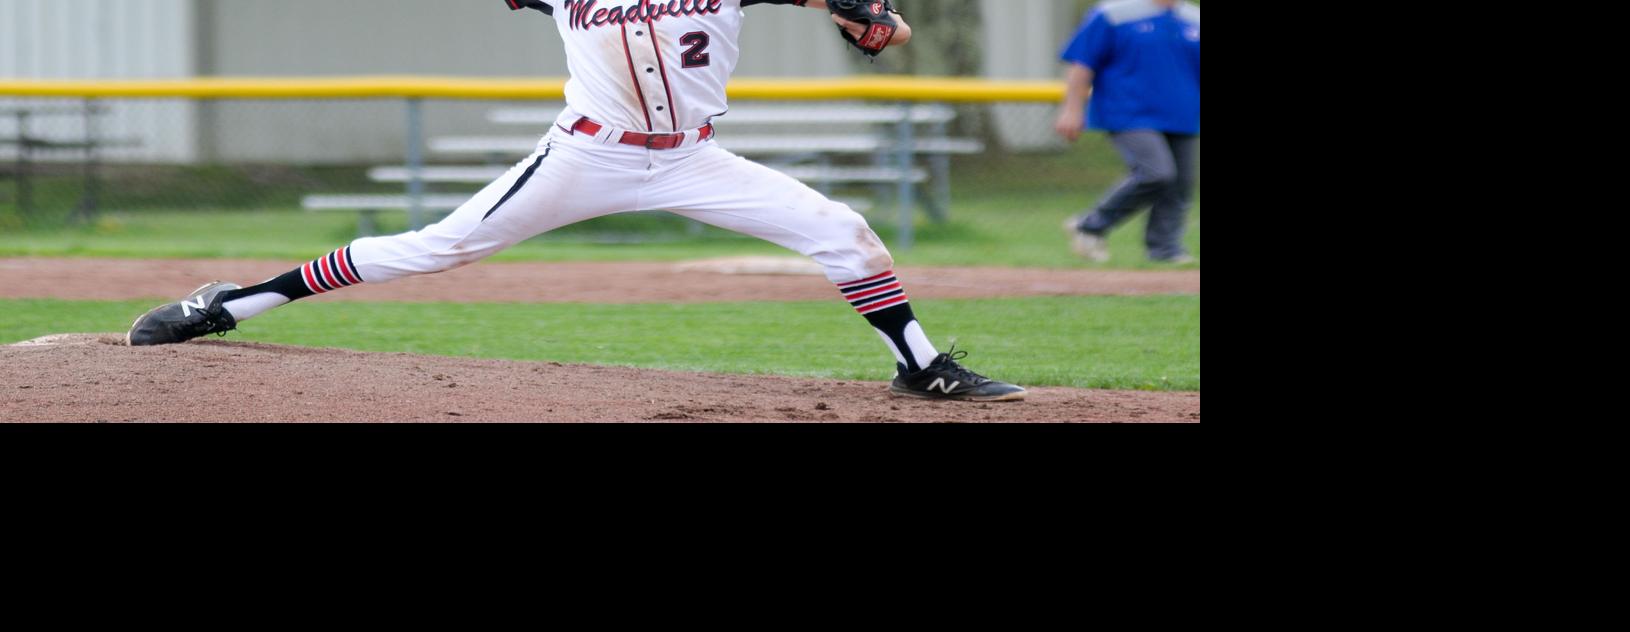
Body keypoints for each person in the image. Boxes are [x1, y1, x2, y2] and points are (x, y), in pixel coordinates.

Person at [126, 0, 1026, 403]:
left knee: (846, 234)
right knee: (438, 246)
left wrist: (872, 16)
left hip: (696, 159)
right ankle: (228, 304)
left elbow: (864, 11)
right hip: (585, 156)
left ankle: (919, 367)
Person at [1055, 0, 1199, 264]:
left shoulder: (1194, 19)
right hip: (1127, 112)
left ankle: (1165, 250)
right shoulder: (1113, 14)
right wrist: (1071, 109)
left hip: (1183, 114)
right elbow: (1082, 63)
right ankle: (1091, 224)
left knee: (1180, 184)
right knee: (1155, 172)